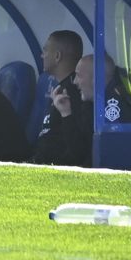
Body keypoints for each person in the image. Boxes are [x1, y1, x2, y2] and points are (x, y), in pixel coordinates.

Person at [31, 29, 88, 165]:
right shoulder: (63, 88)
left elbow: (70, 147)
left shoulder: (72, 93)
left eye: (45, 51)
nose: (41, 55)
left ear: (57, 56)